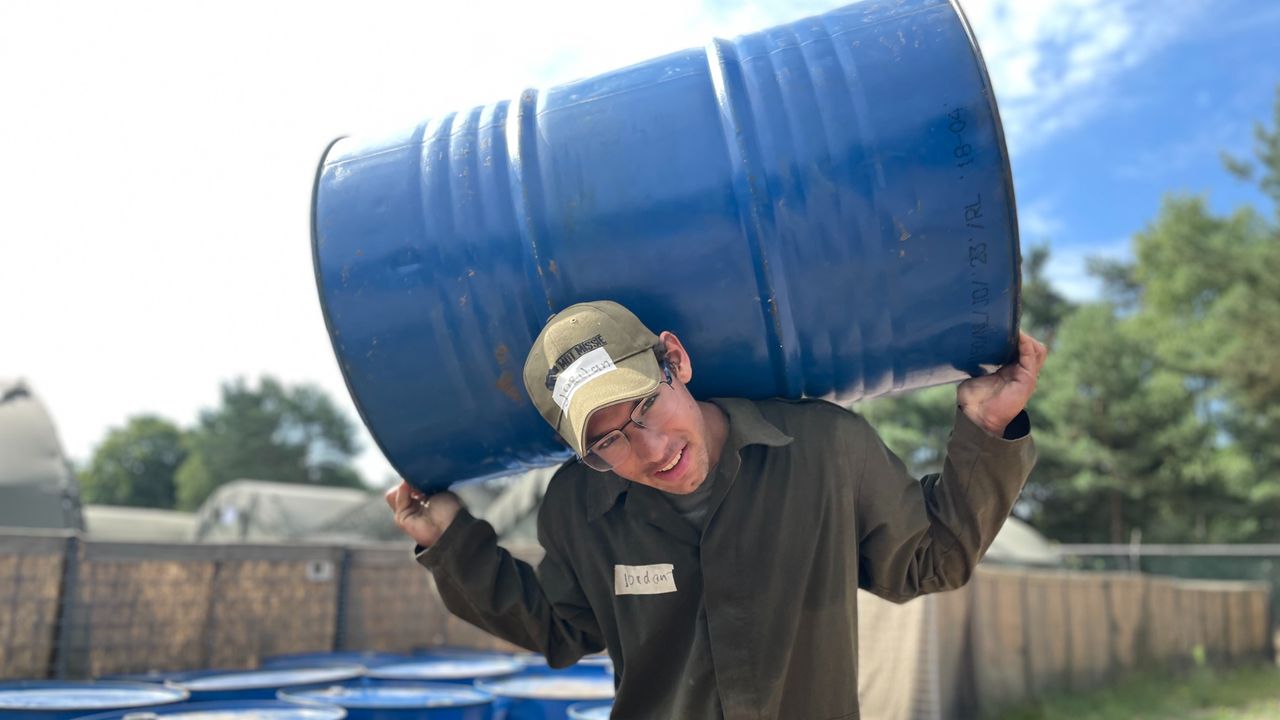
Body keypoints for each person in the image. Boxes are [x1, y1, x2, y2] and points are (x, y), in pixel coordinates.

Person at [386, 300, 1045, 719]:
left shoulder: (825, 448)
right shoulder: (578, 507)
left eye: (645, 406)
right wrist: (451, 543)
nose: (649, 448)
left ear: (674, 359)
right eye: (607, 441)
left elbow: (928, 562)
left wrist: (985, 430)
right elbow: (562, 629)